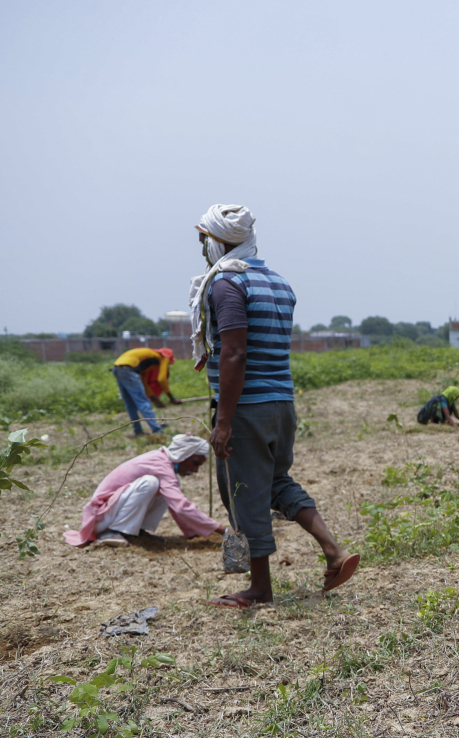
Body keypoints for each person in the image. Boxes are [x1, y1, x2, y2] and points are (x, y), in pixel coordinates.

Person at [188, 203, 361, 608]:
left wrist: (224, 421)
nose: (201, 251)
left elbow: (233, 353)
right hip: (282, 403)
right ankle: (333, 551)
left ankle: (260, 588)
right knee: (276, 482)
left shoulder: (227, 285)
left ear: (219, 242)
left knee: (244, 491)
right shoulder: (279, 282)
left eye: (203, 241)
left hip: (246, 407)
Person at [64, 434, 222, 546]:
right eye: (194, 463)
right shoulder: (160, 464)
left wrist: (192, 532)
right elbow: (180, 506)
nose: (195, 470)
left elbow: (175, 504)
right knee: (151, 482)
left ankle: (136, 530)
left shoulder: (162, 462)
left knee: (168, 485)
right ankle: (113, 531)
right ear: (184, 455)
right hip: (100, 518)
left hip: (108, 514)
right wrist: (219, 528)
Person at [112, 346, 177, 436]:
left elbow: (144, 384)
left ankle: (138, 431)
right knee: (144, 403)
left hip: (117, 368)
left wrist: (155, 400)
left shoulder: (145, 361)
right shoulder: (164, 357)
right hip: (129, 369)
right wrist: (172, 398)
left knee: (131, 404)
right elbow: (162, 379)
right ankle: (158, 432)